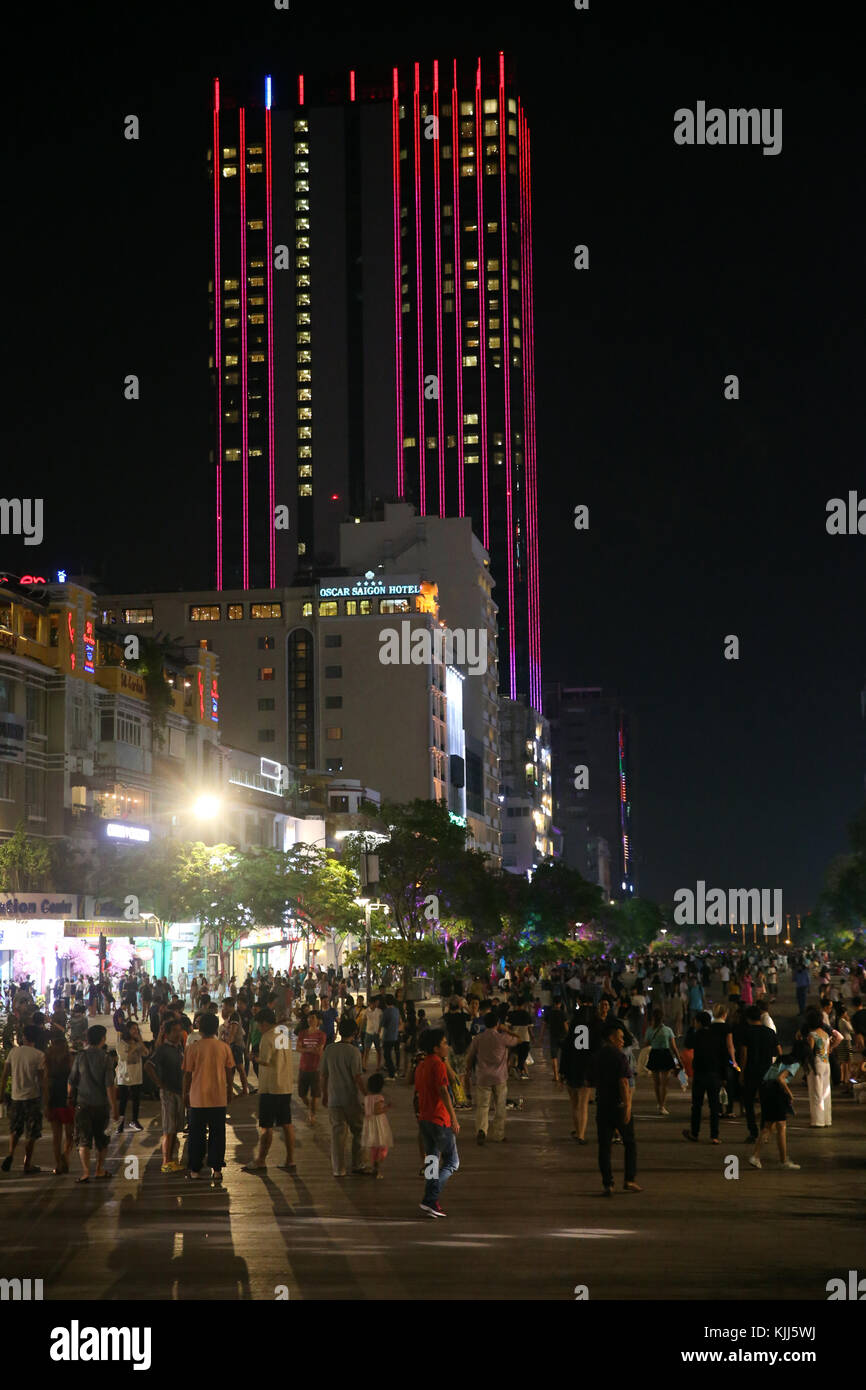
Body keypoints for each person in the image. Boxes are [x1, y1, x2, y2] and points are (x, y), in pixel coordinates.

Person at [242, 1010, 296, 1175]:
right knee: (286, 1123)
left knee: (266, 1126)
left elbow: (265, 1060)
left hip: (271, 1087)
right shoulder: (283, 1033)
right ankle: (290, 1159)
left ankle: (260, 1160)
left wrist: (253, 1058)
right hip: (285, 1085)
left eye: (259, 1024)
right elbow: (277, 1057)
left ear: (264, 1023)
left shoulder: (267, 1037)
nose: (258, 1028)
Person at [182, 1011, 235, 1182]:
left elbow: (187, 1074)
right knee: (217, 1134)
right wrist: (229, 1090)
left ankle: (195, 1169)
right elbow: (229, 1071)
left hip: (197, 1098)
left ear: (200, 1027)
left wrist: (185, 1093)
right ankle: (217, 1169)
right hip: (218, 1097)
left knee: (196, 1135)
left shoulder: (193, 1048)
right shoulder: (224, 1047)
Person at [415, 1029, 460, 1218]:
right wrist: (454, 1118)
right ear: (435, 1048)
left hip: (425, 1118)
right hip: (439, 1119)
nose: (446, 1046)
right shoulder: (438, 1065)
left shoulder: (421, 1066)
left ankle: (429, 1200)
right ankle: (431, 1198)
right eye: (443, 1043)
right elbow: (443, 1092)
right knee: (452, 1162)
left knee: (432, 1160)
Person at [69, 1025, 120, 1183]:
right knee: (102, 1139)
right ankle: (99, 1169)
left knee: (83, 1139)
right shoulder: (106, 1058)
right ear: (102, 1038)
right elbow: (109, 1086)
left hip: (82, 1104)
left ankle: (85, 1172)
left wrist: (69, 1097)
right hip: (100, 1105)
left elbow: (72, 1080)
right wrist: (114, 1108)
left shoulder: (80, 1056)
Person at [595, 1022, 640, 1196]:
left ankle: (608, 1183)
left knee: (604, 1146)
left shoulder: (598, 1056)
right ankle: (629, 1179)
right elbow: (623, 1082)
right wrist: (628, 1105)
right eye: (620, 1038)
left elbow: (591, 1079)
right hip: (618, 1106)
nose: (622, 1041)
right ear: (612, 1038)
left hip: (603, 1106)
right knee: (629, 1143)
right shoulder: (619, 1057)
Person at [321, 1015, 369, 1177]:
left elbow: (323, 1075)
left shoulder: (329, 1049)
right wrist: (367, 1094)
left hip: (334, 1098)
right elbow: (357, 1077)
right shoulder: (354, 1052)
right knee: (359, 1131)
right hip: (351, 1099)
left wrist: (324, 1094)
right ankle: (358, 1163)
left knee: (337, 1135)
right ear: (355, 1033)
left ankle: (338, 1169)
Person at [463, 1010, 520, 1144]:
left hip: (482, 1077)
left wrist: (468, 1070)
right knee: (500, 1106)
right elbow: (519, 1039)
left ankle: (481, 1130)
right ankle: (499, 1135)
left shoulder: (478, 1038)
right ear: (498, 1023)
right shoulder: (502, 1038)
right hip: (500, 1078)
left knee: (482, 1106)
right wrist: (507, 1030)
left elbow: (470, 1056)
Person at [0, 1025, 46, 1174]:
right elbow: (40, 1080)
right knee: (31, 1132)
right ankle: (27, 1163)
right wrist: (46, 1097)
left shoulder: (13, 1052)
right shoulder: (39, 1055)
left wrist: (1, 1093)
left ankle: (11, 1154)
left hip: (15, 1097)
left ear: (24, 1036)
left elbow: (5, 1074)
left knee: (15, 1129)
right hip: (32, 1097)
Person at [144, 1017, 186, 1172]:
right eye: (174, 1031)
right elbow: (148, 1065)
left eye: (179, 1030)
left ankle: (171, 1159)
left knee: (175, 1127)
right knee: (169, 1128)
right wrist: (159, 1084)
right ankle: (166, 1161)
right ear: (167, 1034)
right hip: (169, 1092)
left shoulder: (179, 1047)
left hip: (179, 1091)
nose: (178, 1033)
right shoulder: (162, 1049)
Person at [749, 1056, 801, 1170]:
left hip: (766, 1090)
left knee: (768, 1126)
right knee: (781, 1126)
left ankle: (755, 1156)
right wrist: (790, 1094)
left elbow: (767, 1076)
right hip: (776, 1093)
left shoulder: (781, 1059)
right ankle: (783, 1161)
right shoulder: (795, 1063)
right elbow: (781, 1079)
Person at [739, 1005, 780, 1142]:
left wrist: (742, 1072)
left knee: (749, 1102)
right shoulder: (770, 1032)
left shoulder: (745, 1032)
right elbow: (779, 1052)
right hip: (767, 1072)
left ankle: (753, 1131)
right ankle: (764, 1131)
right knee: (765, 1103)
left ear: (748, 1018)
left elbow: (744, 1054)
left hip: (751, 1071)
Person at [681, 1011, 722, 1143]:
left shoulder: (696, 1035)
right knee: (714, 1106)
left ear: (698, 1022)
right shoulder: (715, 1035)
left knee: (697, 1105)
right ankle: (714, 1136)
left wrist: (691, 1028)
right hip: (714, 1073)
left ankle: (694, 1133)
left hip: (700, 1074)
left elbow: (687, 1044)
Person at [43, 1032, 75, 1174]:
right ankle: (66, 1155)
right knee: (70, 1134)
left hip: (53, 1099)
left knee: (56, 1136)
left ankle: (58, 1165)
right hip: (67, 1099)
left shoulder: (47, 1060)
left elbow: (45, 1083)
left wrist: (46, 1104)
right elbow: (74, 1080)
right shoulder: (69, 1059)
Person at [802, 1006, 837, 1128]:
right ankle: (827, 1119)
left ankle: (817, 1121)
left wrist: (806, 1066)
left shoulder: (812, 1035)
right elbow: (827, 1051)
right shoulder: (826, 1034)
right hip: (826, 1064)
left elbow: (810, 1053)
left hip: (816, 1064)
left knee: (816, 1093)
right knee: (826, 1093)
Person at [643, 1008, 681, 1115]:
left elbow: (646, 1044)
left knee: (656, 1083)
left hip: (654, 1055)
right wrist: (679, 1060)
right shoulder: (668, 1030)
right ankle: (662, 1105)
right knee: (664, 1083)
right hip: (665, 1055)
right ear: (662, 1018)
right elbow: (674, 1047)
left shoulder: (650, 1030)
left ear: (653, 1018)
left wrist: (654, 1041)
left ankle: (659, 1103)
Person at [296, 1011, 326, 1125]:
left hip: (315, 1069)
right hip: (303, 1067)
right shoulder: (302, 1033)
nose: (310, 1020)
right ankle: (310, 1108)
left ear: (318, 1021)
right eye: (309, 1017)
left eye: (312, 1018)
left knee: (315, 1094)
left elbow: (319, 1051)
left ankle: (312, 1114)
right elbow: (298, 1049)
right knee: (301, 1094)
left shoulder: (321, 1035)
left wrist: (307, 1049)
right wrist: (310, 1050)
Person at [362, 1070, 393, 1177]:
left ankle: (374, 1165)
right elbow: (377, 1111)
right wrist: (387, 1108)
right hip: (378, 1123)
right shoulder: (379, 1098)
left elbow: (366, 1110)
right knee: (382, 1145)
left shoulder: (366, 1098)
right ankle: (378, 1166)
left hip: (369, 1123)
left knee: (373, 1146)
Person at [115, 1022, 146, 1133]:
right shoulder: (121, 1044)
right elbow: (124, 1057)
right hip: (124, 1076)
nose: (135, 1031)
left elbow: (146, 1053)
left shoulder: (137, 1042)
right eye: (133, 1029)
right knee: (123, 1101)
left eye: (136, 1029)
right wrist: (133, 1046)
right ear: (127, 1030)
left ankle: (135, 1120)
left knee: (136, 1099)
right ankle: (120, 1124)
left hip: (137, 1075)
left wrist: (140, 1042)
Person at [380, 994, 401, 1079]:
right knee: (391, 1054)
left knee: (387, 1055)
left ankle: (392, 1073)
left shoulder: (386, 1012)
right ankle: (394, 1071)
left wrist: (381, 1036)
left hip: (388, 1036)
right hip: (395, 1035)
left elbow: (383, 1025)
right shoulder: (396, 1010)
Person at [362, 997, 383, 1072]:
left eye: (375, 1003)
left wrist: (380, 1031)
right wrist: (360, 1031)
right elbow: (363, 1021)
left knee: (378, 1050)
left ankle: (378, 1065)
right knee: (366, 1050)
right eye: (372, 1003)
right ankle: (364, 1066)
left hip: (377, 1033)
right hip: (369, 1032)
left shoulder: (379, 1011)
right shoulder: (366, 1011)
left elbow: (381, 1022)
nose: (374, 1005)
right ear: (370, 1003)